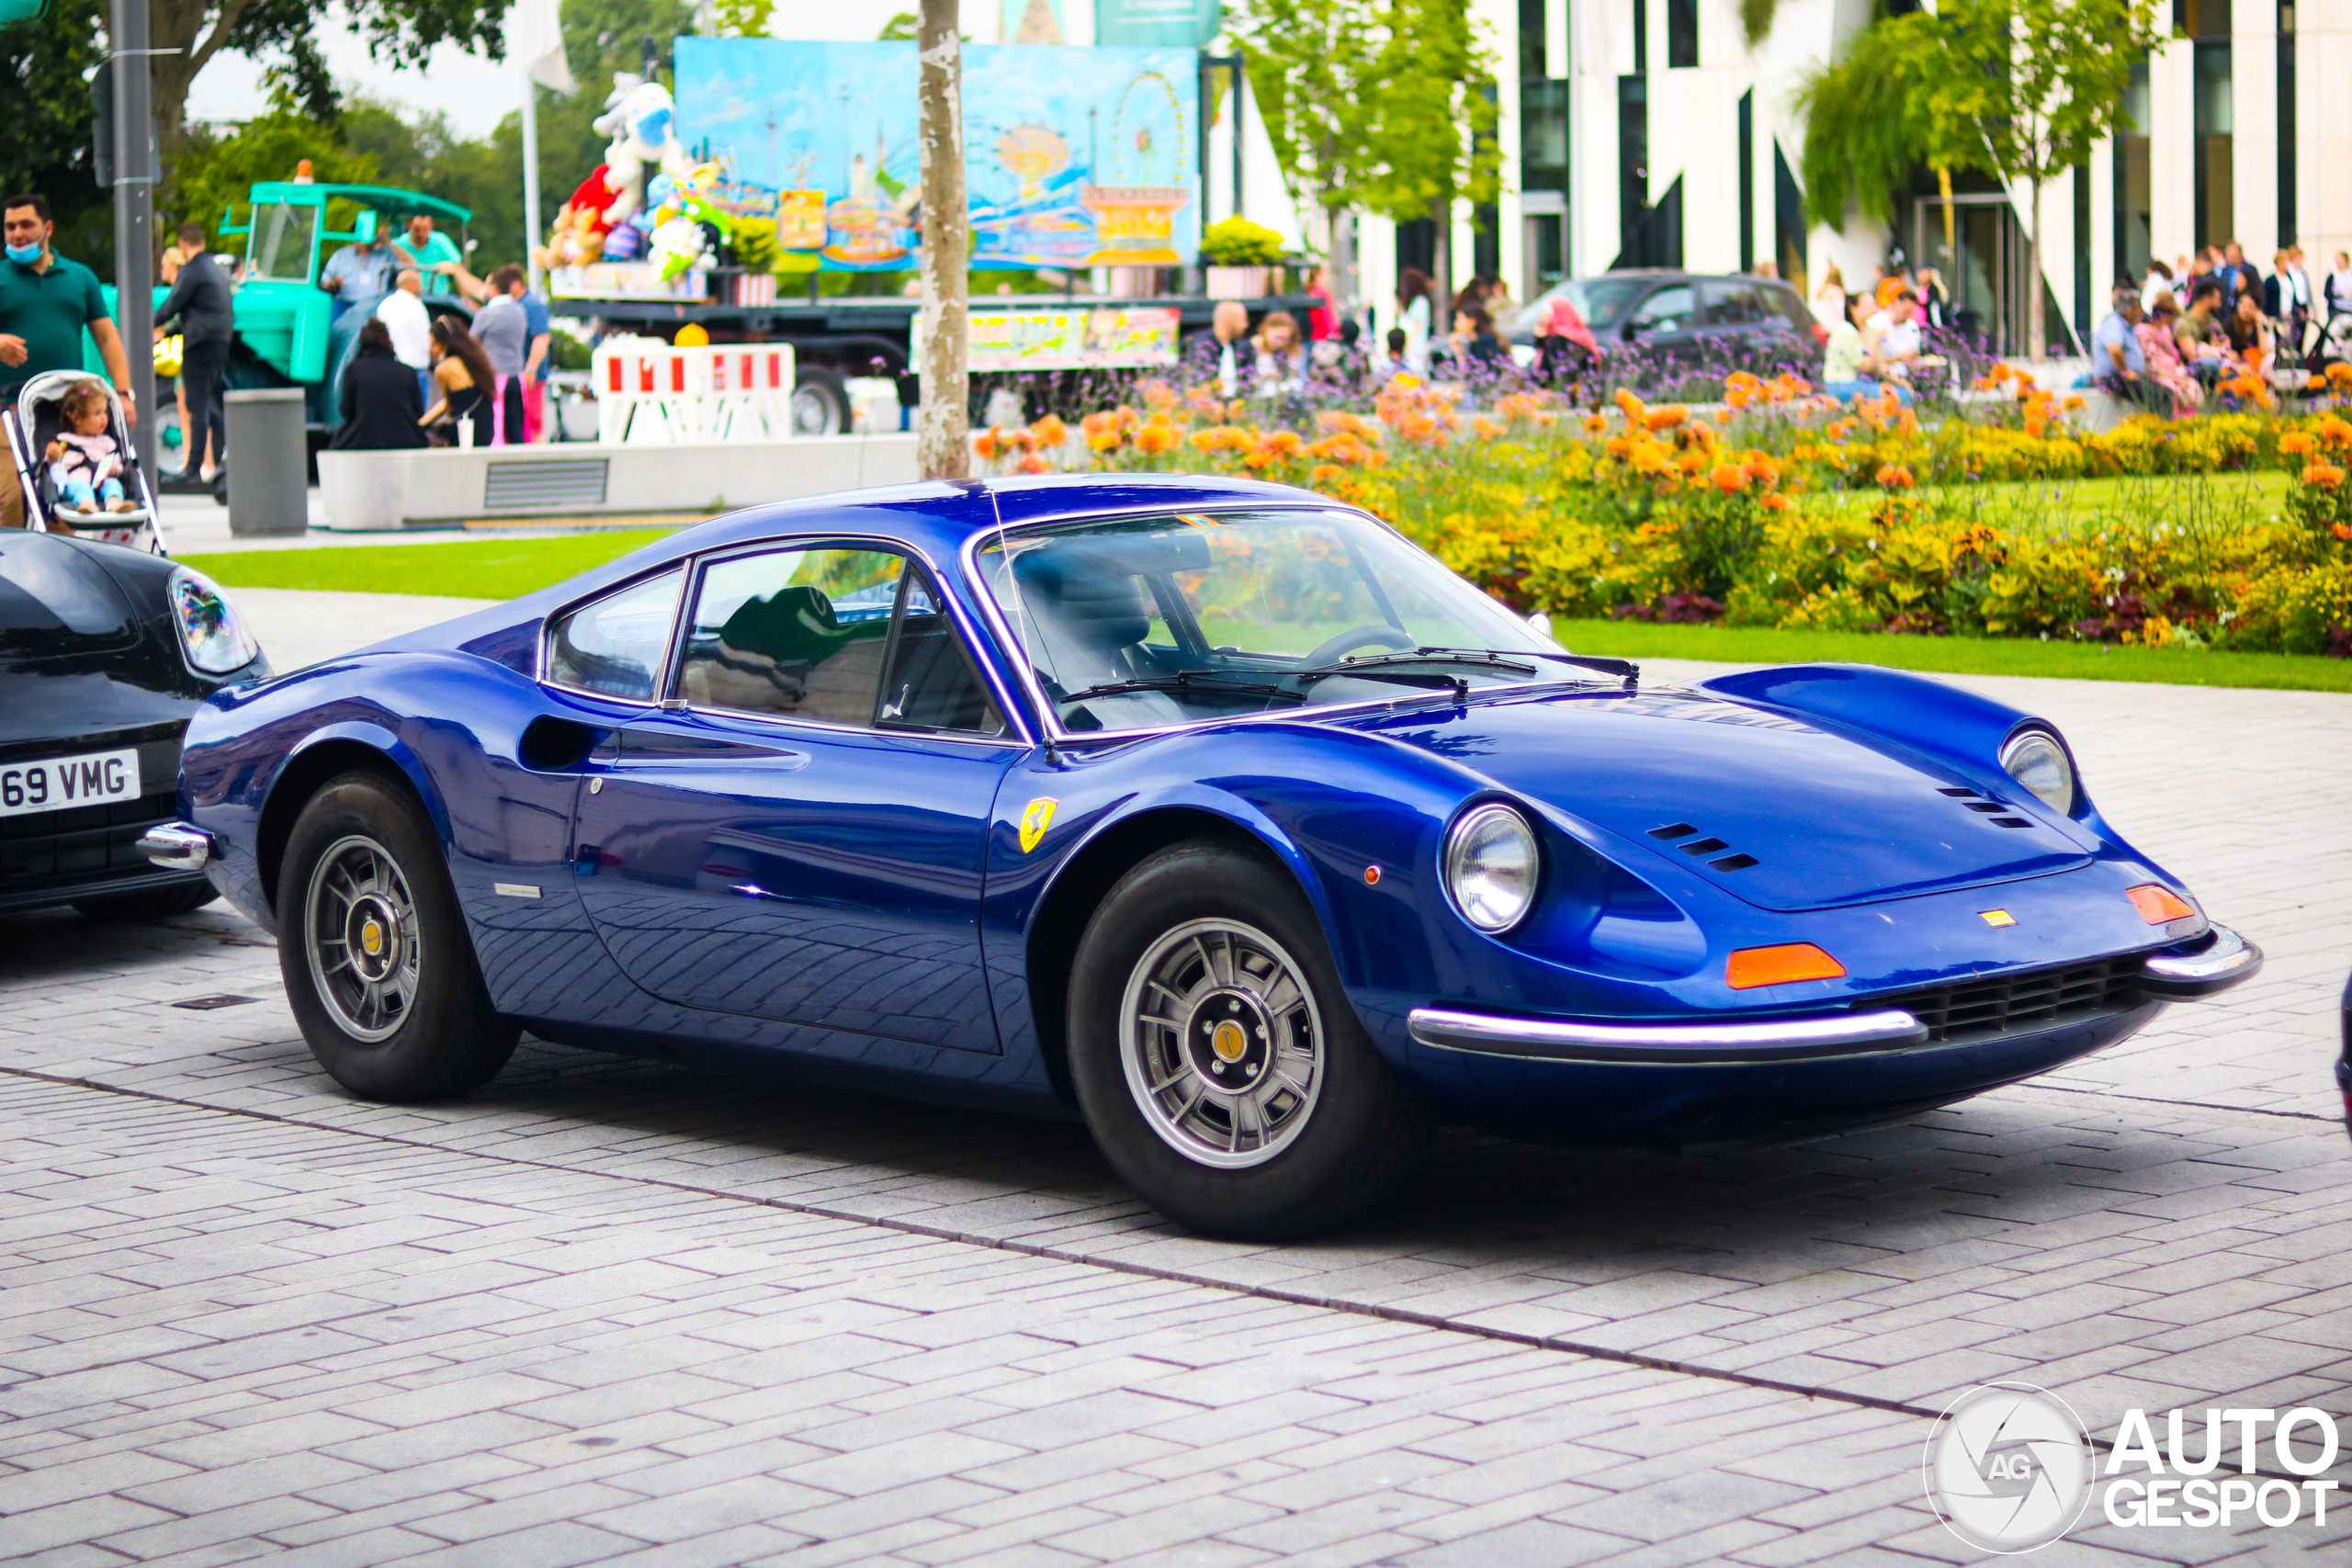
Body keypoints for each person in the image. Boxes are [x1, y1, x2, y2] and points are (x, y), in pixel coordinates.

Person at [0, 194, 136, 529]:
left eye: (26, 225)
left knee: (63, 493)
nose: (17, 233)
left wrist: (123, 393)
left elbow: (107, 337)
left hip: (66, 413)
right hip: (8, 410)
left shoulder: (80, 277)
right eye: (9, 226)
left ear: (47, 228)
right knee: (13, 495)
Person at [152, 221, 233, 487]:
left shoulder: (193, 270)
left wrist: (148, 324)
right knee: (209, 403)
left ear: (183, 244)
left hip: (199, 346)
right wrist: (171, 331)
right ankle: (227, 453)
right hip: (219, 343)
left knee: (195, 407)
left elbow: (174, 303)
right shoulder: (216, 270)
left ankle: (192, 468)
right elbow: (200, 311)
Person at [330, 320, 426, 450]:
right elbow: (419, 412)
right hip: (406, 440)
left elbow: (346, 410)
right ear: (388, 342)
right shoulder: (407, 371)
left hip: (362, 440)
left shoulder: (354, 370)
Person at [43, 379, 133, 514]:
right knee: (81, 488)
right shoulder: (64, 440)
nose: (104, 418)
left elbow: (117, 462)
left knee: (113, 485)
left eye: (105, 413)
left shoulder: (106, 442)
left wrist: (115, 469)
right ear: (77, 419)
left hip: (101, 481)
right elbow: (53, 466)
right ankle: (87, 505)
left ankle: (114, 504)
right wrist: (52, 455)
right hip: (75, 481)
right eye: (97, 414)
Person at [469, 265, 531, 444]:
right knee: (516, 426)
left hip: (495, 377)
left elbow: (472, 343)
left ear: (495, 288)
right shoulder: (520, 311)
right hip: (516, 376)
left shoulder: (486, 314)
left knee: (495, 427)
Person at [422, 315, 495, 446]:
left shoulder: (443, 369)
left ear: (444, 344)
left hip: (464, 429)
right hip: (486, 427)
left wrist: (421, 423)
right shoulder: (474, 361)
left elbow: (449, 406)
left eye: (433, 344)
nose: (430, 350)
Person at [1822, 292, 1908, 403]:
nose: (1873, 309)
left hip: (1860, 383)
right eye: (1868, 305)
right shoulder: (1845, 332)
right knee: (1899, 397)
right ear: (1853, 309)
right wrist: (1875, 341)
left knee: (1903, 394)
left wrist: (1901, 382)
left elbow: (1879, 364)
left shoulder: (1870, 330)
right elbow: (1866, 367)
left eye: (1873, 304)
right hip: (1843, 384)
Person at [2092, 287, 2165, 414]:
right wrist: (2125, 372)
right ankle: (2158, 429)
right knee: (2155, 395)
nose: (2141, 312)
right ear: (2129, 310)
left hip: (2126, 377)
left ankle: (2161, 429)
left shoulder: (2127, 327)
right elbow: (2114, 350)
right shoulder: (2114, 323)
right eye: (2139, 308)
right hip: (2113, 378)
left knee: (2164, 392)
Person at [376, 270, 434, 407]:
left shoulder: (384, 305)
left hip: (389, 366)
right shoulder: (417, 306)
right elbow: (424, 339)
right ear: (412, 285)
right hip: (415, 367)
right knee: (416, 414)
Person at [2138, 294, 2199, 417]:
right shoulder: (2145, 333)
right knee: (2174, 391)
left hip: (2174, 373)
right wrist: (2177, 379)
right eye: (2172, 315)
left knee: (2193, 387)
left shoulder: (2165, 331)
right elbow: (2152, 368)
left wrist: (2182, 374)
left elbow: (2175, 358)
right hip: (2160, 376)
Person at [1182, 299, 1259, 396]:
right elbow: (1197, 382)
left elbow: (1249, 380)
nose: (1246, 325)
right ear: (1228, 320)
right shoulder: (1203, 345)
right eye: (1243, 320)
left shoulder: (1241, 347)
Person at [320, 229, 395, 315]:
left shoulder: (385, 254)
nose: (363, 242)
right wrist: (334, 284)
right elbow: (325, 283)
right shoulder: (341, 255)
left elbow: (410, 263)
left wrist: (390, 243)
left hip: (374, 305)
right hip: (345, 303)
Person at [391, 213, 464, 297]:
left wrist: (464, 299)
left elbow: (459, 268)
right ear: (410, 226)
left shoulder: (441, 241)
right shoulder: (399, 245)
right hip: (408, 297)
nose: (421, 234)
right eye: (417, 229)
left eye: (425, 229)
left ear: (431, 227)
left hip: (438, 300)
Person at [1533, 295, 1598, 389]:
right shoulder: (1581, 337)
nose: (1542, 315)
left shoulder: (1559, 340)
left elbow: (1547, 371)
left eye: (1546, 312)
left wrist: (1541, 337)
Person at [1251, 310, 1308, 393]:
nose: (1280, 343)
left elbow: (1298, 379)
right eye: (1278, 338)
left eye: (1285, 339)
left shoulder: (1289, 353)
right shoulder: (1251, 349)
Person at [1395, 267, 1433, 373]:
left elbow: (1417, 325)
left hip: (1415, 348)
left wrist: (1408, 344)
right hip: (1411, 347)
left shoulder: (1420, 302)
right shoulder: (1414, 303)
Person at [1304, 263, 1337, 342]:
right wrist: (1333, 333)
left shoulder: (1308, 291)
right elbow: (1326, 316)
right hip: (1322, 336)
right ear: (1319, 275)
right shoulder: (1323, 293)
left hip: (1310, 334)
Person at [1814, 265, 1848, 333]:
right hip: (1833, 326)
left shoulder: (1822, 290)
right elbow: (1840, 310)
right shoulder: (1838, 291)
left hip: (1821, 326)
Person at [2329, 252, 2352, 323]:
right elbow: (2327, 294)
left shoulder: (2350, 274)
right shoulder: (2333, 275)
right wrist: (2341, 296)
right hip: (2337, 310)